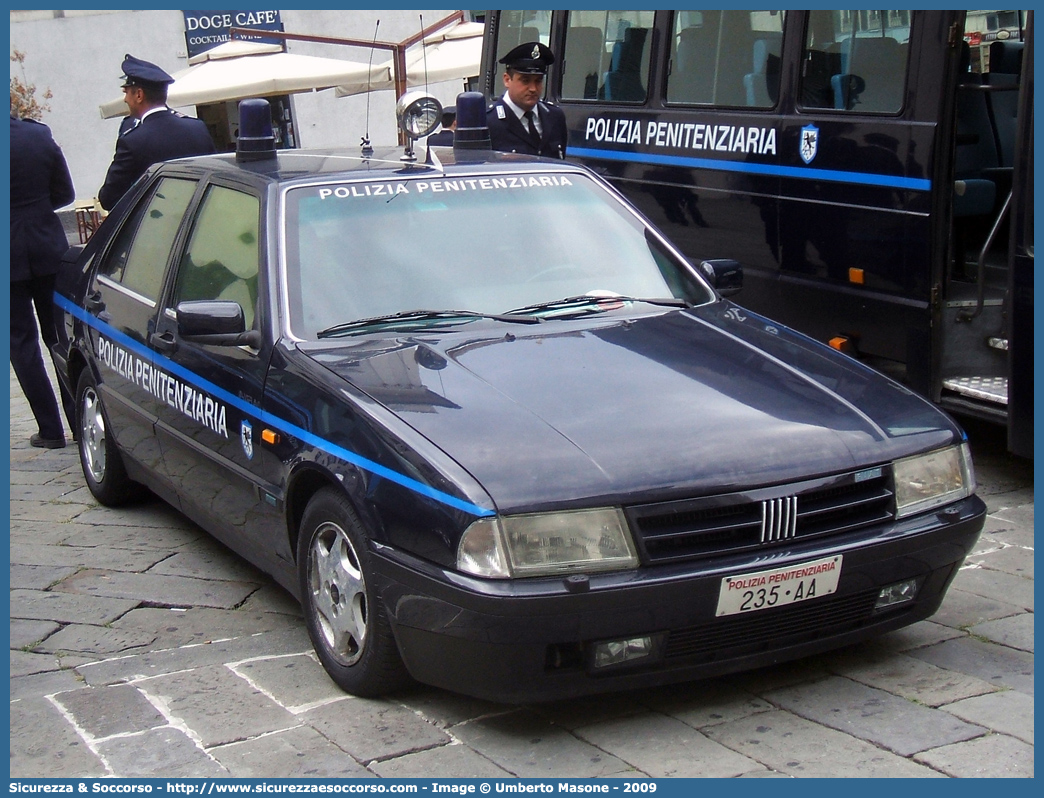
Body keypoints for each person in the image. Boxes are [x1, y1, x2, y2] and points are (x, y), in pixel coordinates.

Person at [9, 114, 76, 448]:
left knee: (21, 343)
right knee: (59, 337)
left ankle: (50, 430)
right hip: (47, 245)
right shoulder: (39, 135)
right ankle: (80, 423)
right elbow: (65, 193)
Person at [98, 54, 215, 210]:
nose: (125, 99)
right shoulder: (197, 128)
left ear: (139, 95)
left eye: (126, 92)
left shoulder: (132, 141)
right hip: (199, 217)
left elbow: (109, 198)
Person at [487, 42, 567, 158]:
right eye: (525, 81)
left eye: (538, 81)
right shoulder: (489, 122)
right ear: (507, 80)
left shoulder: (555, 117)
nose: (533, 89)